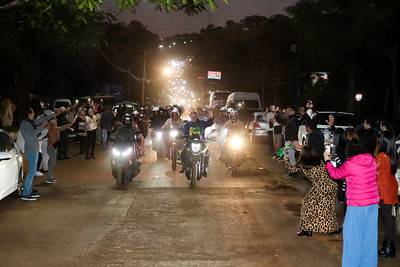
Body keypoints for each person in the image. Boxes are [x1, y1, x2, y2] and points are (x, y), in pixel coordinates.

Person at [324, 140, 380, 267]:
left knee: (352, 239)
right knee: (369, 239)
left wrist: (327, 161)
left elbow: (335, 174)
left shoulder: (351, 164)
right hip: (372, 205)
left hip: (357, 205)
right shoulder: (371, 161)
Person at [284, 145, 339, 236]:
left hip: (322, 187)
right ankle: (333, 228)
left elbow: (292, 169)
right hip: (332, 185)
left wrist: (286, 160)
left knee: (307, 204)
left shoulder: (305, 165)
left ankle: (306, 229)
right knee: (327, 206)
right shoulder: (319, 162)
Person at [19, 107, 51, 200]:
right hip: (31, 150)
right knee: (32, 172)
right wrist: (43, 126)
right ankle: (25, 193)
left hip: (33, 149)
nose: (34, 113)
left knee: (31, 172)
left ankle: (28, 190)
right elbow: (34, 133)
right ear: (29, 114)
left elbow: (40, 120)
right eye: (33, 112)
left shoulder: (30, 122)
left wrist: (53, 115)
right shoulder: (25, 123)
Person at [375, 131, 398, 258]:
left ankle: (389, 246)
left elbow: (372, 168)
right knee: (388, 217)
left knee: (386, 217)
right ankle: (390, 246)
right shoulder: (393, 156)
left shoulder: (381, 156)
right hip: (391, 186)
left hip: (384, 188)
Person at [179, 110, 214, 176]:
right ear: (190, 117)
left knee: (207, 152)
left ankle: (205, 167)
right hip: (190, 142)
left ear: (197, 116)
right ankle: (183, 166)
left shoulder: (202, 123)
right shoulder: (187, 124)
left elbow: (210, 123)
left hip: (200, 142)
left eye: (194, 116)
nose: (193, 118)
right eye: (192, 117)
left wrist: (211, 117)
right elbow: (183, 132)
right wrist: (183, 136)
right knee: (183, 151)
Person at [46, 115, 75, 184]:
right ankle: (49, 178)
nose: (56, 120)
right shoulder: (52, 126)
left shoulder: (51, 125)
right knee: (52, 163)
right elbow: (61, 128)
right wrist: (70, 124)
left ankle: (50, 177)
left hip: (52, 147)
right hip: (51, 147)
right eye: (54, 119)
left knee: (52, 162)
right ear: (51, 120)